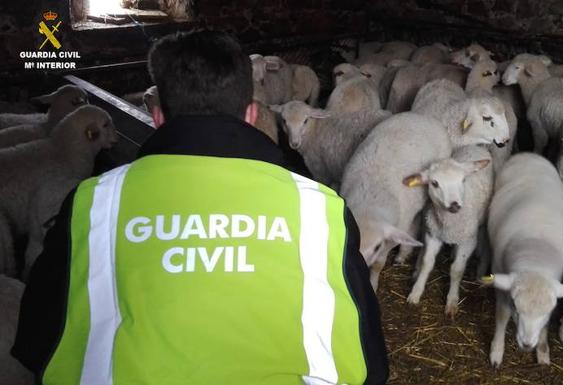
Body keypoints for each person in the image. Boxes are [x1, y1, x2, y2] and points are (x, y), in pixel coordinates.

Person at [12, 29, 388, 385]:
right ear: (252, 115)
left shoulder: (92, 204)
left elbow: (37, 344)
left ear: (158, 117)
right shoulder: (321, 209)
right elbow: (369, 362)